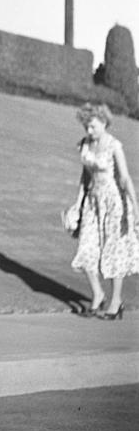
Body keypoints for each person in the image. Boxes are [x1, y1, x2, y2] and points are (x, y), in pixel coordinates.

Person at [69, 102, 139, 318]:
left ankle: (116, 301)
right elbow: (85, 177)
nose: (89, 131)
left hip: (114, 202)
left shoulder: (114, 145)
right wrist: (77, 205)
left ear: (104, 123)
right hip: (92, 202)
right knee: (87, 247)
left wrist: (135, 206)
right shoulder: (85, 144)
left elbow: (125, 177)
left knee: (113, 251)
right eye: (86, 127)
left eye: (92, 127)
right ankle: (98, 294)